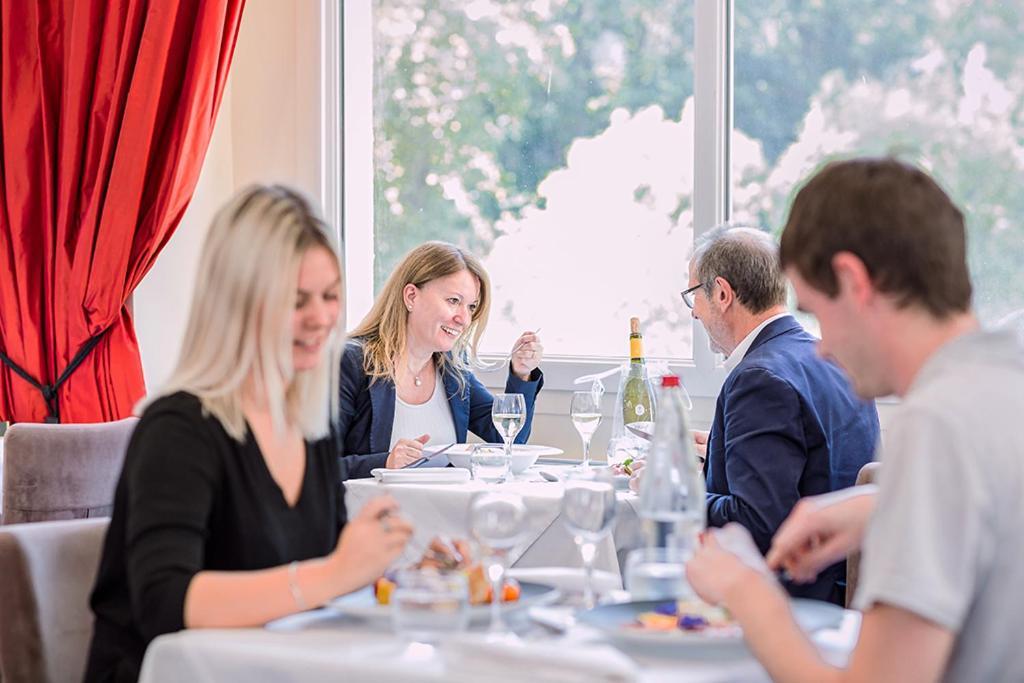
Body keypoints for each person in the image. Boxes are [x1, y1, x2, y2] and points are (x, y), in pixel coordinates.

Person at [686, 158, 1024, 682]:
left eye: (818, 312)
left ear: (853, 280)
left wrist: (745, 592)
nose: (820, 348)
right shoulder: (1005, 371)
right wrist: (881, 506)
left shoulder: (937, 424)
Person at [84, 186, 413, 682]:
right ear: (237, 304)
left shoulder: (310, 422)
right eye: (295, 300)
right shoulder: (179, 429)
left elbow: (323, 555)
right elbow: (165, 601)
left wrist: (387, 565)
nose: (322, 318)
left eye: (329, 296)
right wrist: (335, 574)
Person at [684, 226, 879, 604]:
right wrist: (722, 451)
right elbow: (819, 459)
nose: (693, 312)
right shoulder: (832, 357)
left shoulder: (758, 378)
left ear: (722, 294)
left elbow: (757, 523)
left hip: (793, 597)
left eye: (693, 295)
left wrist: (674, 491)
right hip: (846, 587)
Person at [337, 241, 544, 478]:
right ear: (411, 296)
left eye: (471, 306)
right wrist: (385, 461)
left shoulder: (452, 368)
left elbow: (509, 439)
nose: (464, 319)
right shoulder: (350, 362)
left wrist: (521, 373)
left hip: (445, 511)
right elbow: (312, 468)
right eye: (453, 301)